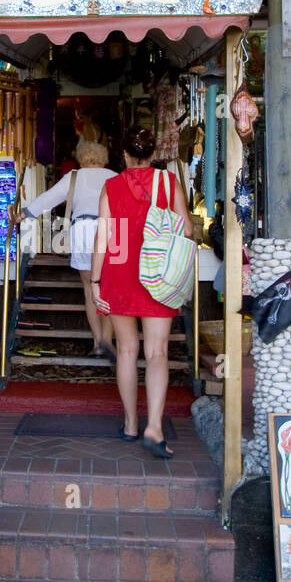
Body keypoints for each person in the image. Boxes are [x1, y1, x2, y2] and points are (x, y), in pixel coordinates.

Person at [91, 126, 194, 458]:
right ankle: (156, 428)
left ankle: (131, 424)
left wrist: (95, 282)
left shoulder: (111, 186)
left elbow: (104, 238)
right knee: (157, 353)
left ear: (124, 155)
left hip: (119, 272)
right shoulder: (168, 184)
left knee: (125, 351)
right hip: (158, 273)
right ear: (152, 154)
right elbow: (187, 230)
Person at [22, 137, 118, 356]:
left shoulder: (74, 176)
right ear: (104, 159)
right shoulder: (114, 176)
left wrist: (25, 213)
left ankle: (97, 343)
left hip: (84, 230)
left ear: (82, 159)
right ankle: (108, 341)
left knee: (89, 288)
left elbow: (49, 198)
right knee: (110, 289)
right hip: (112, 230)